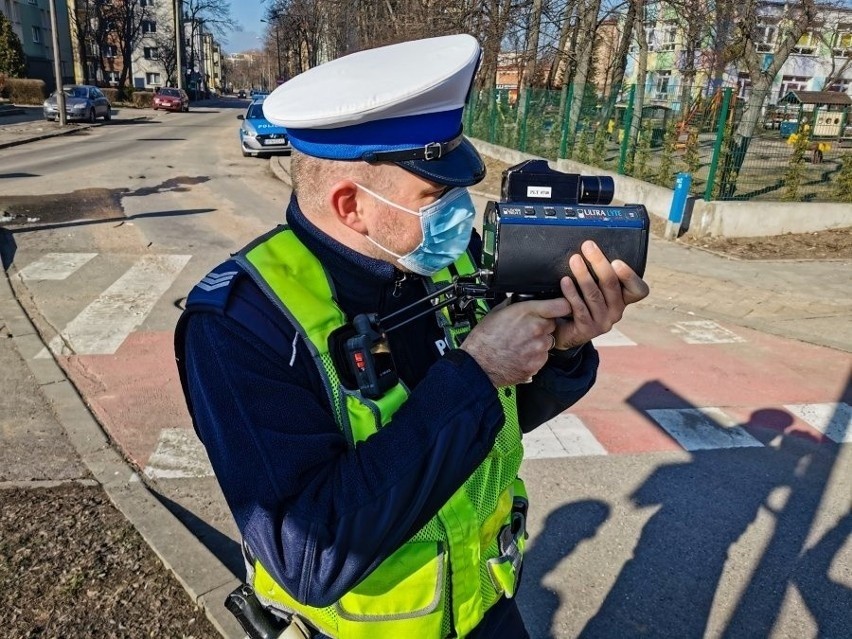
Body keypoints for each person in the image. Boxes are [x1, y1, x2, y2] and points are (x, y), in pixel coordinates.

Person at [174, 34, 648, 639]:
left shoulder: (446, 262)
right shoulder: (241, 325)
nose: (459, 210)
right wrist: (477, 372)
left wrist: (564, 348)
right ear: (352, 206)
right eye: (434, 194)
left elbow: (502, 416)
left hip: (487, 610)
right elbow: (308, 555)